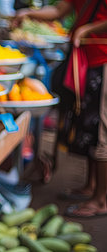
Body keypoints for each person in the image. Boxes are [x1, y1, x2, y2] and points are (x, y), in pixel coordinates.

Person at [13, 0, 107, 217]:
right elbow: (59, 10)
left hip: (103, 61)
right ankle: (90, 187)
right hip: (86, 61)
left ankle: (101, 200)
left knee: (102, 132)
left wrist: (87, 29)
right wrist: (28, 13)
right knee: (89, 127)